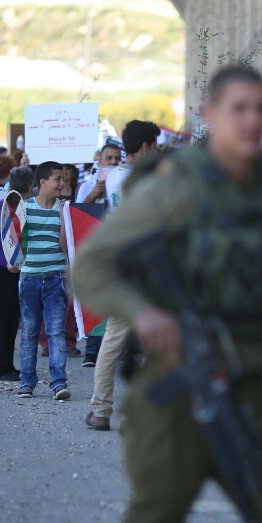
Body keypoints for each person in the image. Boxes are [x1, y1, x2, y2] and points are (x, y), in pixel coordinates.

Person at [73, 64, 262, 523]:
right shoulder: (175, 186)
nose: (251, 119)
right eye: (239, 108)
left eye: (260, 109)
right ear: (212, 115)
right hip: (176, 395)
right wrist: (143, 312)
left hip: (250, 393)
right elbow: (92, 267)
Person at [81, 122, 159, 430]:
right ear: (145, 147)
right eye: (154, 146)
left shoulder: (113, 176)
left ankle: (101, 410)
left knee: (113, 340)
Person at [16, 161, 71, 400]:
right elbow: (13, 241)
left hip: (56, 278)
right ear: (43, 182)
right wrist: (13, 261)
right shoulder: (24, 207)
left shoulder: (64, 209)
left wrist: (63, 218)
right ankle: (26, 382)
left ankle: (58, 383)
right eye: (58, 179)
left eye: (63, 179)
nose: (62, 183)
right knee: (29, 331)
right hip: (29, 278)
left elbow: (65, 247)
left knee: (56, 332)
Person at [0, 167, 33, 382]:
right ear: (31, 187)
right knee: (7, 317)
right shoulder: (24, 208)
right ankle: (1, 367)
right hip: (6, 266)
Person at [76, 142, 123, 206]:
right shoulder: (86, 186)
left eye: (117, 158)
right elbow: (78, 211)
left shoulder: (127, 184)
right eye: (109, 158)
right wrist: (92, 195)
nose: (114, 162)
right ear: (100, 161)